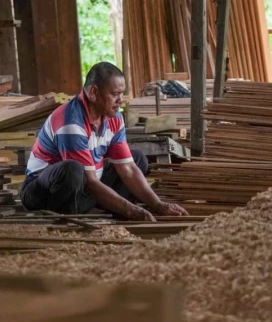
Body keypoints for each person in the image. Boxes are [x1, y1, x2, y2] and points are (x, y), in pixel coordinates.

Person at [20, 62, 189, 221]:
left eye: (121, 93)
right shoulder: (71, 122)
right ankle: (67, 214)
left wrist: (158, 205)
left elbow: (128, 169)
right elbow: (90, 182)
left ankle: (88, 208)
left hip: (84, 186)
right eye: (115, 94)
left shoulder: (114, 118)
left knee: (137, 160)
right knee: (73, 170)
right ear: (94, 93)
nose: (120, 99)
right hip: (41, 193)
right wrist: (132, 211)